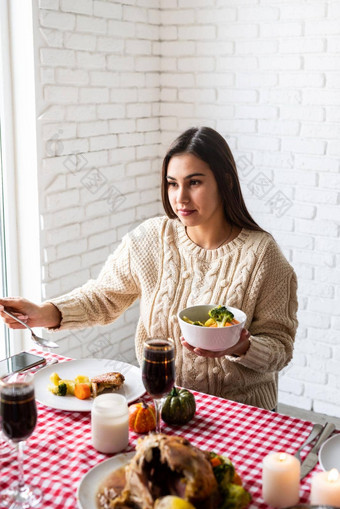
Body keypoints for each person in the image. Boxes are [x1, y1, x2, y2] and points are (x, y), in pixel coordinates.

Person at [0, 127, 298, 410]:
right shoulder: (151, 239)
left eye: (194, 182)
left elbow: (280, 348)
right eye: (172, 183)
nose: (180, 197)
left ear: (225, 181)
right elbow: (102, 297)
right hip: (162, 402)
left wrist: (240, 346)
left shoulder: (263, 255)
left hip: (241, 411)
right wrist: (44, 313)